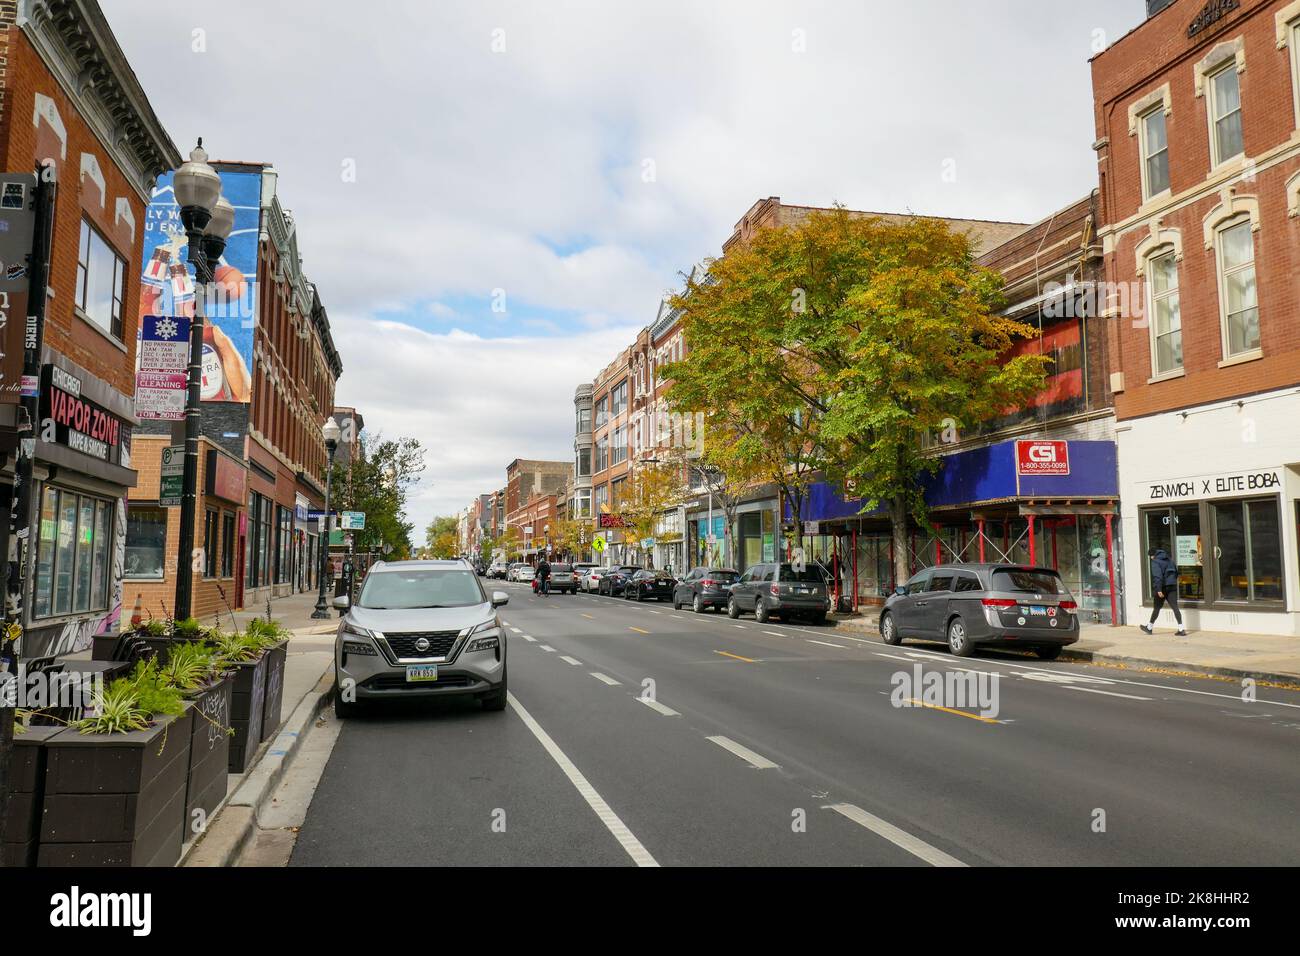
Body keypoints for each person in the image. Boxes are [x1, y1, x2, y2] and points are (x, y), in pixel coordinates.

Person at [1140, 547, 1186, 636]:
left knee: (1156, 608)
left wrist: (1159, 589)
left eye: (1150, 557)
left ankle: (1149, 628)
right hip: (1172, 586)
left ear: (1152, 555)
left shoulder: (1155, 562)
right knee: (1175, 607)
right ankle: (1181, 629)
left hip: (1162, 587)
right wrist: (1172, 582)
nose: (1151, 558)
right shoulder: (1169, 559)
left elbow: (1158, 577)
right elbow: (1176, 572)